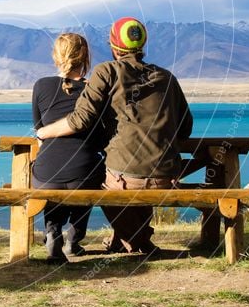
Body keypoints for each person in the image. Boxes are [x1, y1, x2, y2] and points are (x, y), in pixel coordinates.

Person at [36, 17, 193, 256]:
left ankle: (137, 240)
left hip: (125, 179)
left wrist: (43, 132)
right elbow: (186, 128)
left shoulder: (106, 71)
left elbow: (81, 120)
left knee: (97, 178)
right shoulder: (167, 77)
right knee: (120, 174)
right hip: (167, 176)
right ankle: (125, 239)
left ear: (113, 46)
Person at [32, 33, 105, 263]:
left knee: (54, 178)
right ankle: (74, 238)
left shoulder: (41, 85)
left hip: (46, 172)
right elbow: (102, 135)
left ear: (56, 56)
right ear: (85, 57)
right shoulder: (95, 88)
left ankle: (53, 231)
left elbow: (39, 129)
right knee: (90, 177)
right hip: (83, 171)